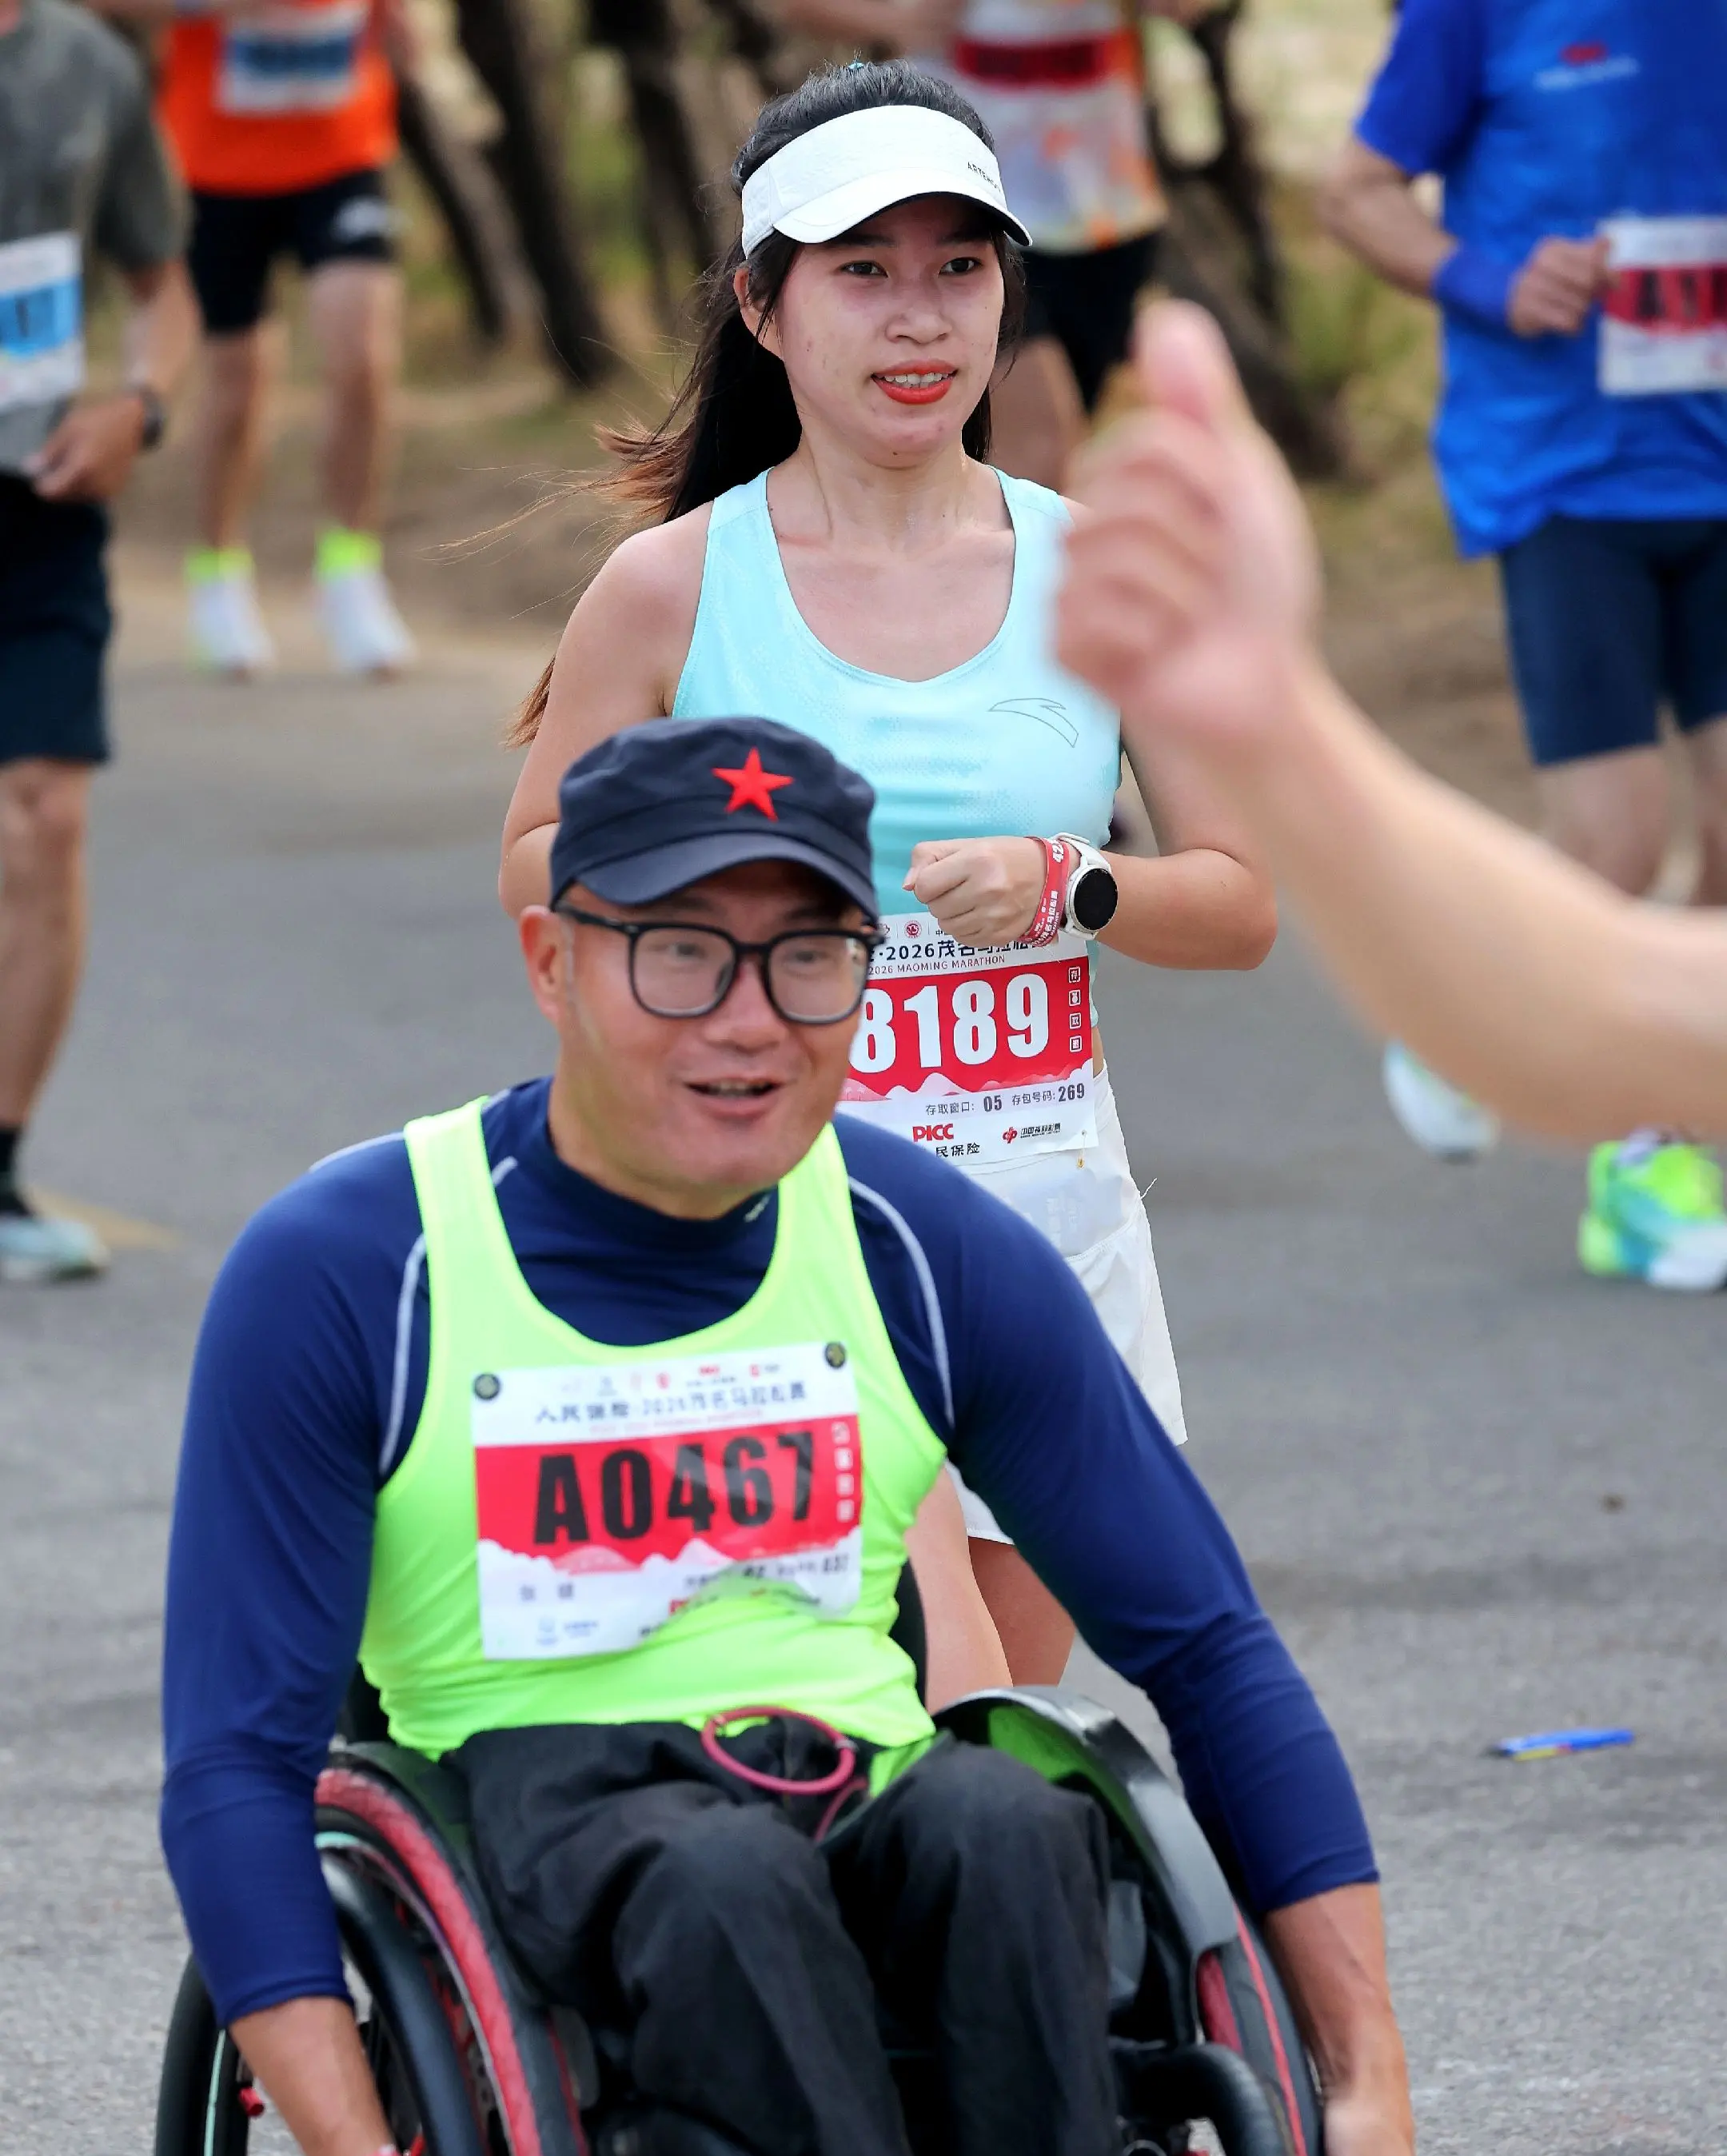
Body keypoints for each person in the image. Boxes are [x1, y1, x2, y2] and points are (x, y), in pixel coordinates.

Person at [161, 711, 1418, 2156]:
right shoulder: (357, 1264)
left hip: (854, 1777)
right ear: (551, 955)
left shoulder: (916, 1241)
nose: (744, 1019)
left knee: (1023, 1826)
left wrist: (1360, 2080)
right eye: (680, 949)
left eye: (805, 955)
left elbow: (1205, 1648)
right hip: (540, 1820)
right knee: (719, 1886)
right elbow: (234, 1765)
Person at [500, 59, 1275, 1689]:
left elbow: (1243, 901)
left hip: (1051, 1229)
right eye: (865, 272)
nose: (920, 319)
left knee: (1011, 1708)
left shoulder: (1103, 574)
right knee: (956, 1690)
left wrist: (1078, 880)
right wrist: (735, 886)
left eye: (960, 268)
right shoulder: (670, 588)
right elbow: (535, 863)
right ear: (767, 310)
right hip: (786, 1216)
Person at [1055, 299, 1727, 1149]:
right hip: (1574, 491)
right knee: (1616, 835)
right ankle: (1481, 1053)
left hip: (1699, 484)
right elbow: (1616, 1014)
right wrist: (1279, 726)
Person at [1320, 0, 1727, 1287]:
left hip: (1716, 470)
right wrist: (1490, 277)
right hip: (1564, 476)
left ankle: (1659, 1137)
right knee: (1612, 830)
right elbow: (1358, 191)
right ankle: (1466, 1014)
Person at [0, 0, 193, 1281]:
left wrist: (141, 404)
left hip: (38, 502)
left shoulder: (87, 64)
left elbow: (161, 287)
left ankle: (2, 1170)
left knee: (44, 817)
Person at [103, 0, 415, 677]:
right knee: (238, 385)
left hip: (343, 156)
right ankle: (218, 573)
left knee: (363, 356)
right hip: (214, 172)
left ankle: (350, 570)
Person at [774, 5, 1206, 489]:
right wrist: (898, 19)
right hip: (969, 208)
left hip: (1104, 215)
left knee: (1029, 453)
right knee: (1039, 442)